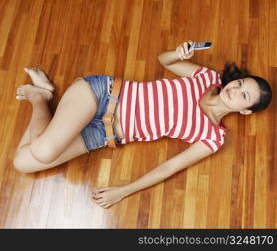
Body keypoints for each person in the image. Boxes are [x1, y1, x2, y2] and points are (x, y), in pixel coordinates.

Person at [13, 41, 272, 208]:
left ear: (246, 111)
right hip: (102, 95)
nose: (235, 90)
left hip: (103, 134)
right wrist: (178, 52)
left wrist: (123, 191)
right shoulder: (207, 78)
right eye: (240, 83)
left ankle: (43, 95)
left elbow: (171, 166)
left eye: (244, 95)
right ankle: (40, 97)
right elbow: (164, 60)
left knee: (23, 163)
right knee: (44, 151)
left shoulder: (212, 137)